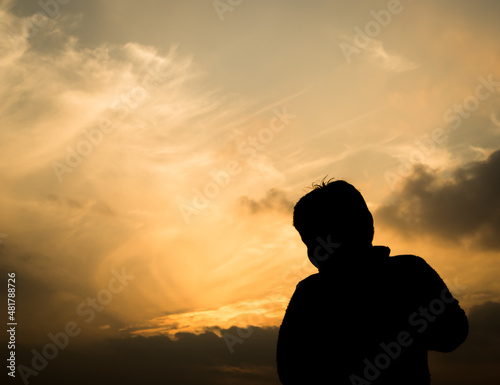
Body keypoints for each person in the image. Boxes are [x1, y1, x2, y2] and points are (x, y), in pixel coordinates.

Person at [276, 178, 468, 385]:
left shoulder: (311, 292)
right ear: (368, 224)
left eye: (314, 239)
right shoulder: (411, 271)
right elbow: (452, 333)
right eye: (308, 241)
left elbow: (290, 371)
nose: (313, 250)